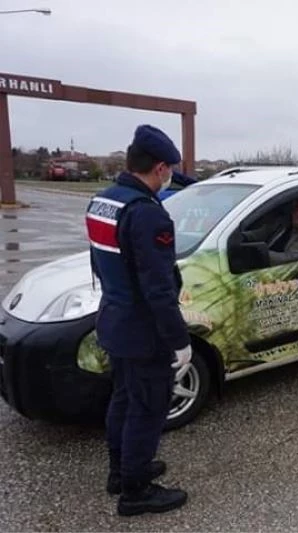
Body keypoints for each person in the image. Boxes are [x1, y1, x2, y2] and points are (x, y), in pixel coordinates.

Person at [85, 125, 191, 516]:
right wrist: (179, 340)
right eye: (168, 171)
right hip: (145, 330)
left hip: (114, 319)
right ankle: (136, 490)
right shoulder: (148, 216)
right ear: (159, 167)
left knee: (124, 399)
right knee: (148, 406)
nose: (169, 179)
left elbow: (101, 261)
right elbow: (158, 289)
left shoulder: (104, 200)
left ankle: (121, 470)